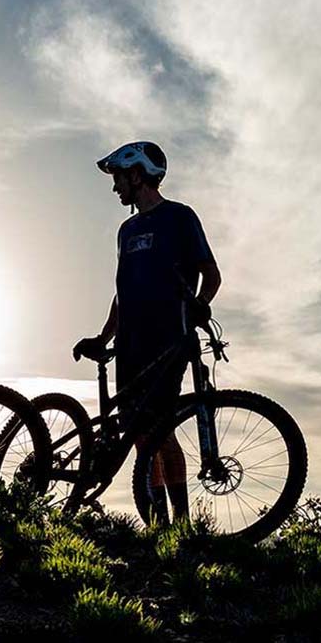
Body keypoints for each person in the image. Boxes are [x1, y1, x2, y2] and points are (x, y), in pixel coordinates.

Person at [73, 142, 221, 523]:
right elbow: (123, 292)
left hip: (168, 338)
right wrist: (104, 338)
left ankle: (183, 521)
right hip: (130, 344)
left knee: (161, 429)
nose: (115, 188)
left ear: (137, 175)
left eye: (119, 178)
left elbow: (211, 273)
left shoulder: (180, 217)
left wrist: (200, 303)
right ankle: (158, 523)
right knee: (139, 436)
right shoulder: (126, 230)